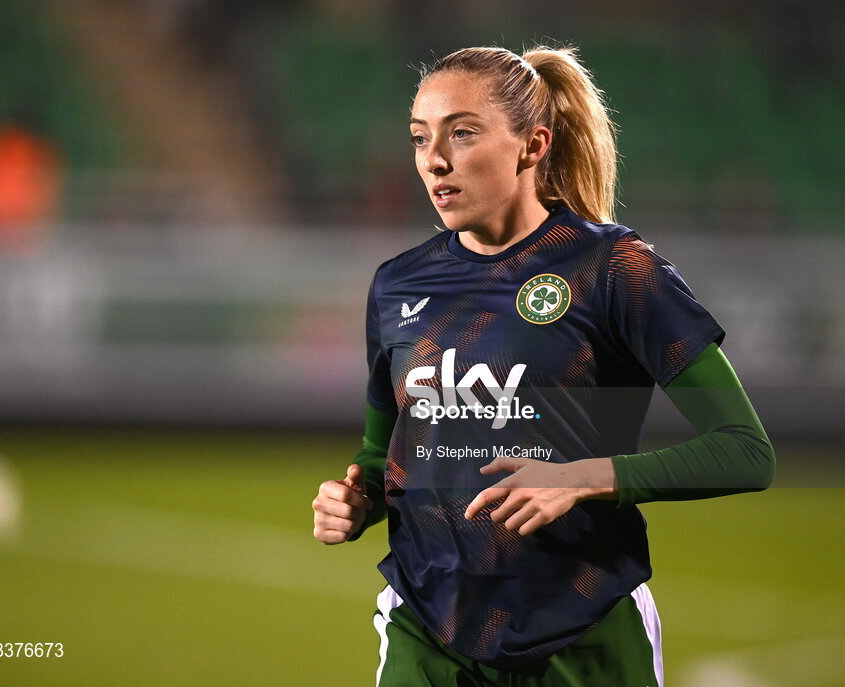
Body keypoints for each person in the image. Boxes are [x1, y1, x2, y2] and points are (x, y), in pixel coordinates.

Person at [312, 44, 775, 686]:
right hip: (429, 626)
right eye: (420, 138)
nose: (434, 159)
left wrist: (582, 478)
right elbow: (382, 452)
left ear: (532, 146)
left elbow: (746, 451)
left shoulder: (613, 269)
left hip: (584, 626)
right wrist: (355, 500)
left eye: (462, 133)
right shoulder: (398, 284)